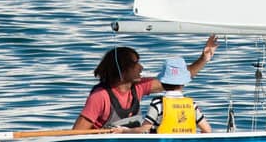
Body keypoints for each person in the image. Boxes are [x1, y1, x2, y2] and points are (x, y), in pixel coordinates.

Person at [73, 37, 217, 131]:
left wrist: (204, 58)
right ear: (122, 68)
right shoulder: (100, 96)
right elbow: (76, 135)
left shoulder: (139, 87)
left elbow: (177, 79)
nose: (141, 67)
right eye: (136, 63)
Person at [139, 57, 212, 134]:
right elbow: (207, 130)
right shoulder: (191, 105)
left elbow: (145, 129)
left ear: (162, 83)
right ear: (183, 83)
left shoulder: (157, 104)